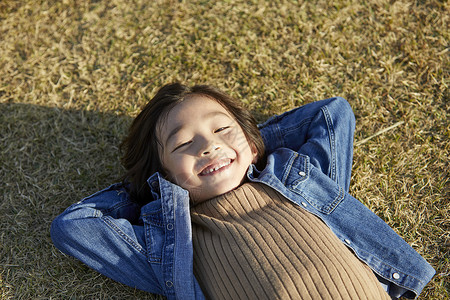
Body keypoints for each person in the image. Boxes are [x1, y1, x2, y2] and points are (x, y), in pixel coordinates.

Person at [51, 83, 435, 300]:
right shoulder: (174, 243)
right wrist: (153, 189)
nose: (208, 146)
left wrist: (249, 144)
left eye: (221, 130)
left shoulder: (299, 183)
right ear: (163, 176)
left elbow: (331, 114)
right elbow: (74, 225)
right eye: (183, 145)